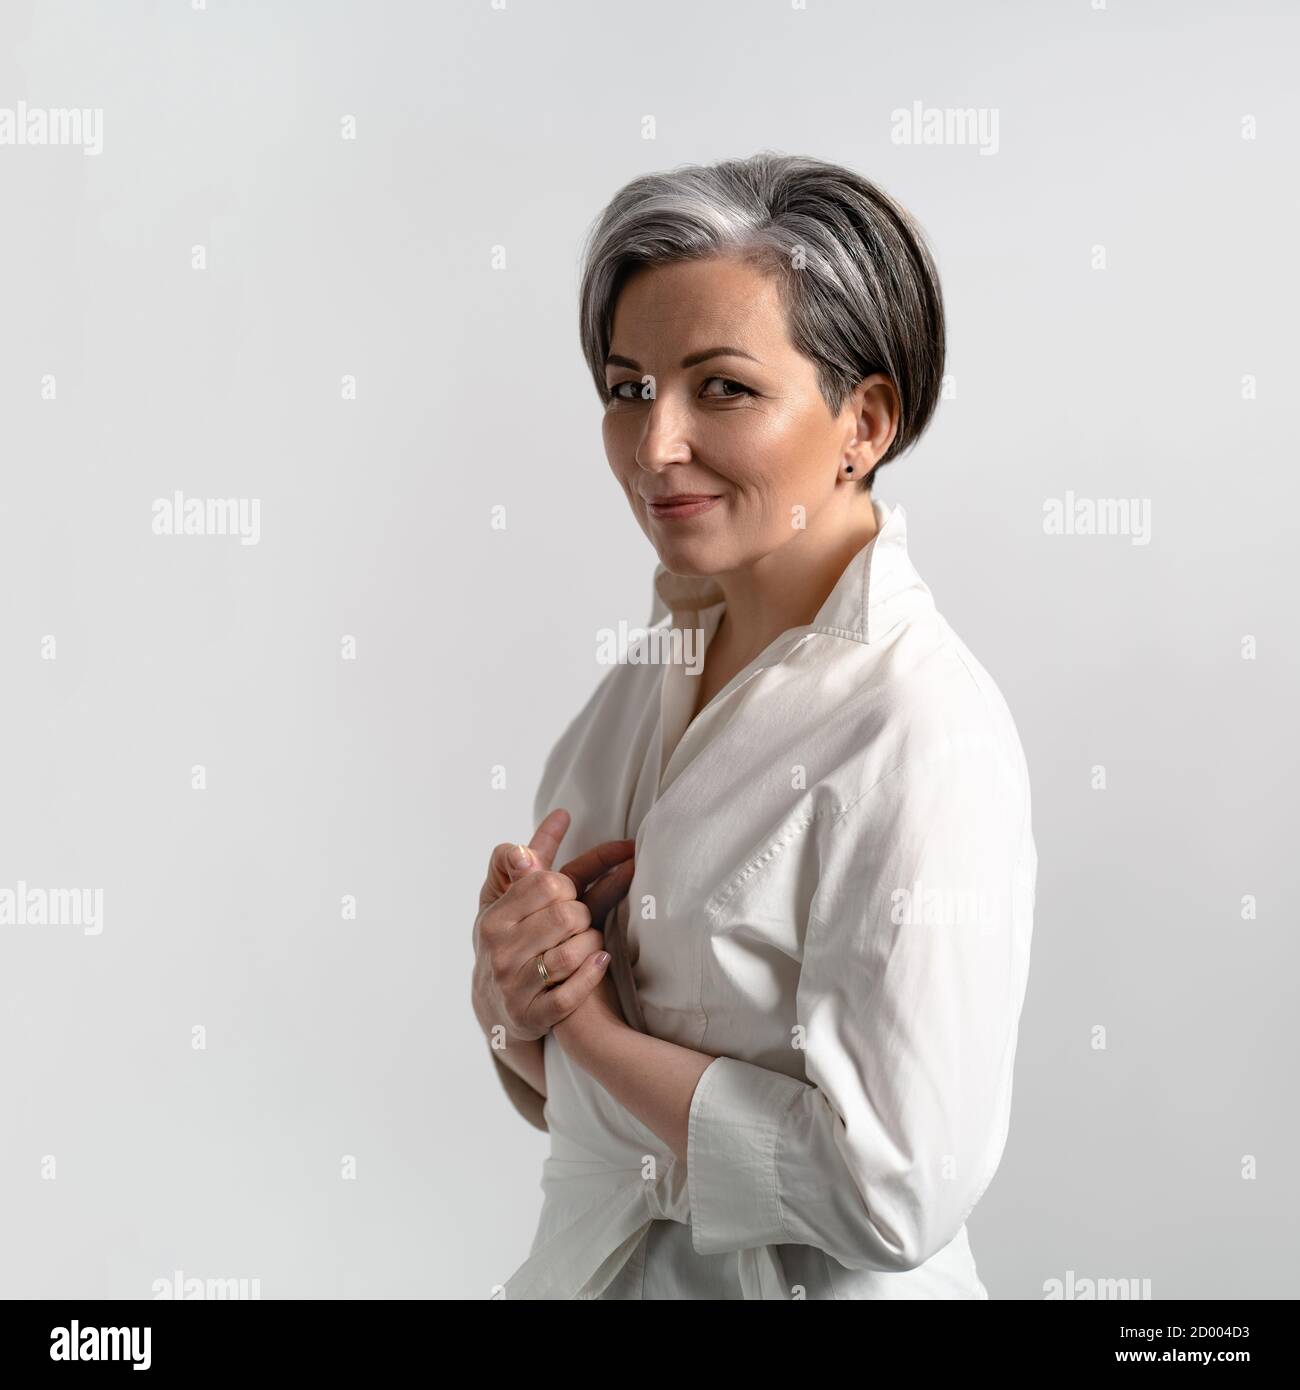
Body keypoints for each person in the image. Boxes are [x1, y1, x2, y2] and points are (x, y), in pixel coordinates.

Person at [471, 151, 1037, 1299]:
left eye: (720, 387)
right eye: (628, 388)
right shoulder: (641, 683)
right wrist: (511, 1000)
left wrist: (589, 1033)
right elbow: (566, 1112)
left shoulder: (923, 730)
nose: (655, 444)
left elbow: (898, 1191)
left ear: (862, 420)